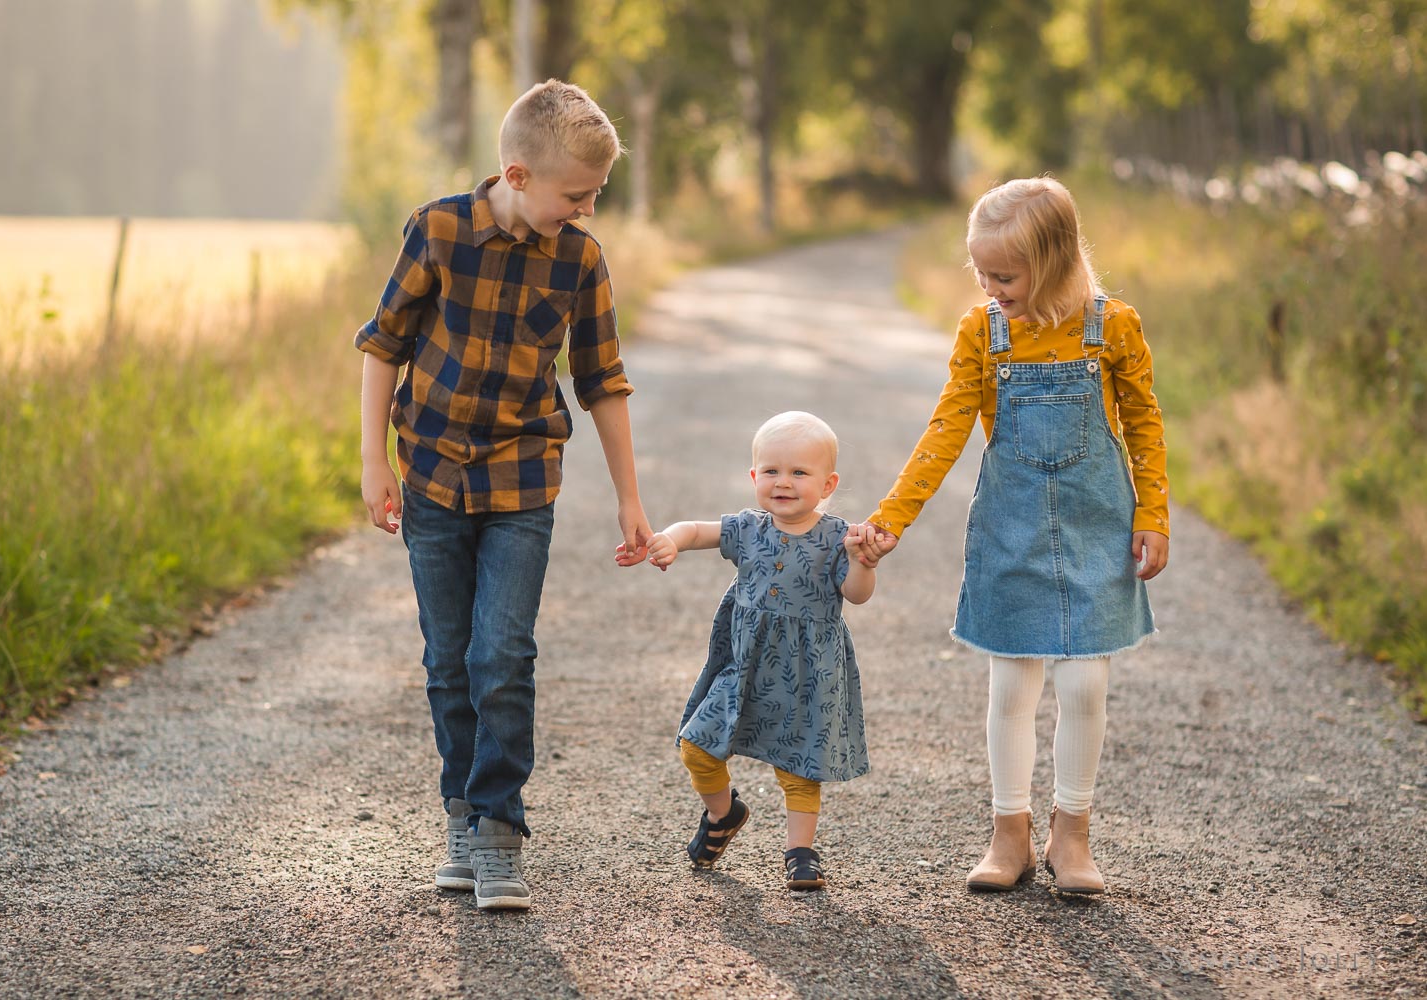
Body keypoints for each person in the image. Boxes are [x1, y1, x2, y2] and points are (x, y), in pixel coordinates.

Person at [356, 80, 653, 911]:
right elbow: (383, 347)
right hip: (432, 479)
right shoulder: (439, 229)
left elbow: (603, 382)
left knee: (503, 656)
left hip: (524, 481)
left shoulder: (579, 260)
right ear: (518, 175)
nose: (587, 211)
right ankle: (461, 809)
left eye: (595, 197)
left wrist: (631, 498)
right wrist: (374, 462)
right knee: (449, 661)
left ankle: (497, 828)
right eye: (576, 196)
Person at [857, 176, 1169, 895]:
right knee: (1012, 684)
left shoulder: (1112, 327)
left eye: (1006, 274)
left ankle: (1072, 834)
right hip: (1011, 529)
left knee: (1086, 680)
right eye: (983, 273)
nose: (992, 287)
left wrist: (1153, 512)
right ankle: (1010, 833)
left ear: (1057, 262)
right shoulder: (983, 333)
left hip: (1098, 528)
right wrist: (891, 518)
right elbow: (945, 430)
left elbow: (1145, 424)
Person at [639, 411, 876, 891]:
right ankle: (723, 815)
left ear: (828, 483)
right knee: (697, 745)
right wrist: (670, 540)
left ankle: (800, 851)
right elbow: (696, 529)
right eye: (771, 471)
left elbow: (856, 594)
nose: (782, 482)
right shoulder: (748, 529)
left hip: (808, 673)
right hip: (744, 666)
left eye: (799, 473)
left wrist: (862, 561)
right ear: (753, 477)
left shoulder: (837, 538)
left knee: (798, 763)